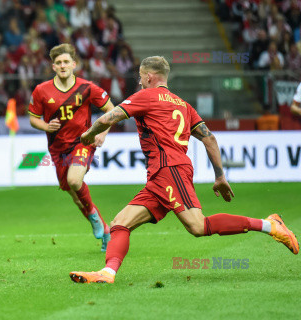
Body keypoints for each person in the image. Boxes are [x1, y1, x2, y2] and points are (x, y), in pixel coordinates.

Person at [70, 56, 299, 283]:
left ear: (149, 76)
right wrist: (219, 176)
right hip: (161, 175)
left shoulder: (146, 96)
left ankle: (270, 225)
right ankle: (107, 273)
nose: (139, 82)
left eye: (141, 78)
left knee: (198, 226)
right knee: (121, 223)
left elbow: (108, 118)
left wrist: (88, 135)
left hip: (170, 169)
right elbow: (209, 138)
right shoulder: (184, 105)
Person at [28, 43, 115, 251]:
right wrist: (46, 126)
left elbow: (111, 110)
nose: (62, 65)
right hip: (57, 149)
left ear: (74, 64)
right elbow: (33, 118)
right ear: (53, 67)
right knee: (76, 198)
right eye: (58, 63)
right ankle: (105, 229)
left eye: (66, 61)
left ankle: (93, 217)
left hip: (82, 142)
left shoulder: (87, 88)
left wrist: (102, 133)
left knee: (75, 180)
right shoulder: (42, 90)